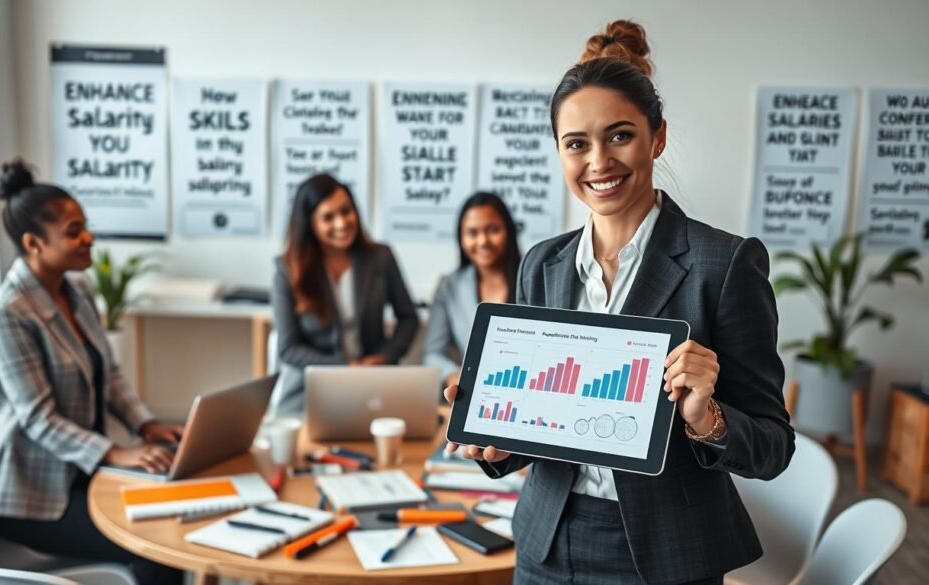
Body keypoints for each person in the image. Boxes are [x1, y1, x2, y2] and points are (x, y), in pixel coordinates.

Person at [444, 20, 795, 585]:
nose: (598, 161)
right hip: (547, 542)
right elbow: (543, 428)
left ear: (657, 137)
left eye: (620, 135)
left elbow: (774, 448)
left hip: (667, 554)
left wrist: (707, 418)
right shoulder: (542, 263)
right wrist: (493, 434)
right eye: (576, 143)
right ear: (559, 152)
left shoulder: (724, 264)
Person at [0, 159, 183, 584]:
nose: (88, 237)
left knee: (173, 494)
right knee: (157, 547)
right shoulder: (9, 314)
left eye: (84, 225)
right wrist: (115, 453)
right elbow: (39, 418)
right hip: (29, 497)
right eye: (73, 231)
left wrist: (146, 425)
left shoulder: (78, 289)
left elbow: (111, 373)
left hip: (79, 475)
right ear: (33, 244)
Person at [272, 173, 418, 415]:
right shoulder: (287, 270)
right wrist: (347, 368)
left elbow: (408, 318)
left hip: (372, 389)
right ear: (310, 223)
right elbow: (288, 348)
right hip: (309, 394)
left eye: (346, 211)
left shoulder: (380, 258)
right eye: (328, 217)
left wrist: (383, 358)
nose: (341, 223)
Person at [423, 192, 521, 387]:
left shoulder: (533, 278)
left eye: (492, 230)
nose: (483, 241)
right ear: (461, 238)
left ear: (508, 231)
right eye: (472, 233)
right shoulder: (449, 286)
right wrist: (455, 376)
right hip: (473, 390)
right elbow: (432, 354)